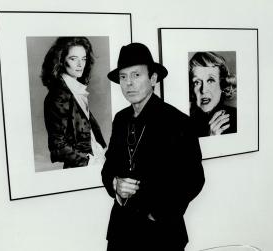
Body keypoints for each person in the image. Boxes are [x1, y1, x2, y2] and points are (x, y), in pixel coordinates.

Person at [101, 43, 205, 251]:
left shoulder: (177, 121)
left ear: (153, 78)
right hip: (120, 233)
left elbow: (194, 179)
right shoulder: (121, 119)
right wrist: (115, 184)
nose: (129, 83)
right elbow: (109, 167)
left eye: (136, 75)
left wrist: (157, 214)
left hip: (161, 236)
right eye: (123, 77)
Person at [41, 37, 106, 169]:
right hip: (82, 169)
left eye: (83, 59)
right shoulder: (58, 96)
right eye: (73, 58)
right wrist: (89, 161)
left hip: (98, 161)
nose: (80, 64)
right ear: (61, 60)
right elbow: (58, 147)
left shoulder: (76, 90)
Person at [189, 51, 237, 137]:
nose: (203, 90)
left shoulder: (237, 119)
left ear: (222, 85)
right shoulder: (184, 122)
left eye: (210, 80)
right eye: (197, 82)